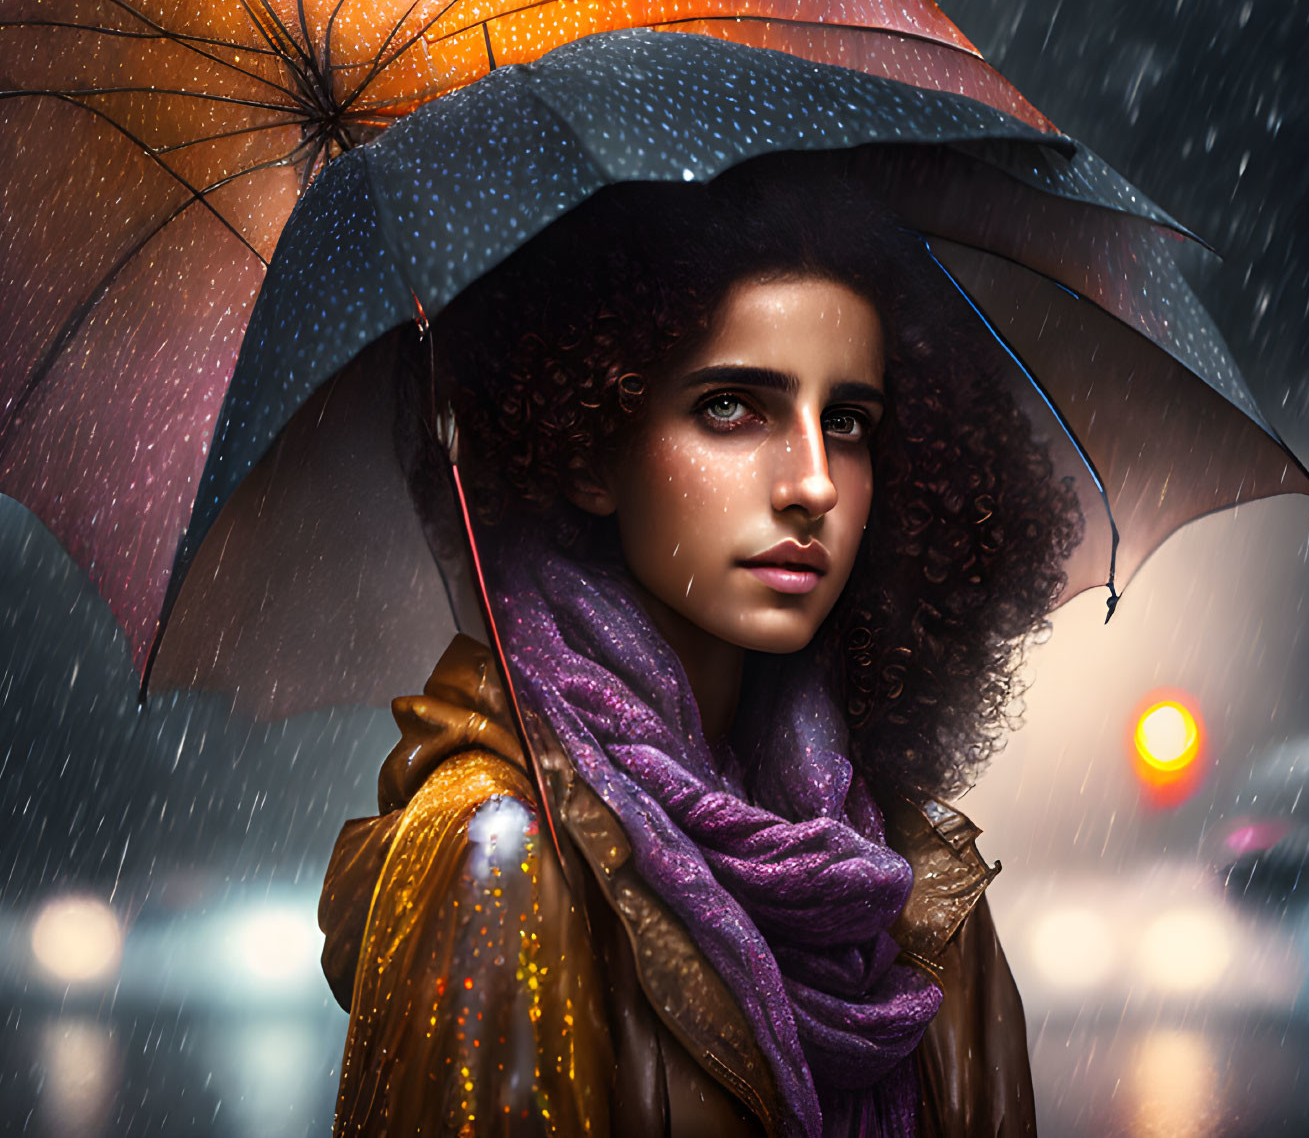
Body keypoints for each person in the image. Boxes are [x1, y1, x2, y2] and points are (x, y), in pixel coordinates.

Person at [318, 155, 1081, 1136]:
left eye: (846, 420)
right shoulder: (499, 861)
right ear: (589, 443)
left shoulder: (911, 885)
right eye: (733, 407)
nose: (813, 482)